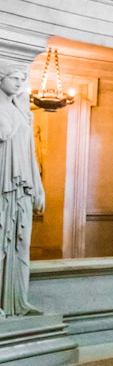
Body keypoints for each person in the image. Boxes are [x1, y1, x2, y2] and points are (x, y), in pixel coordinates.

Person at [0, 62, 44, 316]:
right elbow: (4, 133)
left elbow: (31, 154)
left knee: (21, 242)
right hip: (4, 182)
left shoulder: (21, 111)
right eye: (14, 78)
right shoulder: (9, 110)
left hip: (22, 183)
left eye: (21, 79)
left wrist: (39, 187)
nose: (18, 83)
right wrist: (19, 112)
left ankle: (18, 302)